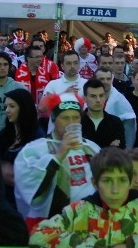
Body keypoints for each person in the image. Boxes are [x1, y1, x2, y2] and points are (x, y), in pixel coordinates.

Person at [14, 92, 99, 223]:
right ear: (53, 119)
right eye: (65, 118)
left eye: (76, 118)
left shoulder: (92, 147)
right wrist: (60, 154)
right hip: (50, 223)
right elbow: (33, 194)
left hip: (89, 219)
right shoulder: (34, 149)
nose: (71, 123)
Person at [0, 88, 42, 206]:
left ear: (24, 108)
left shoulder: (37, 136)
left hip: (26, 199)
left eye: (12, 106)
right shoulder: (5, 133)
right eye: (6, 106)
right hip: (6, 197)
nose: (7, 110)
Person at [81, 78, 125, 148]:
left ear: (105, 97)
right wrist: (109, 147)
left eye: (101, 96)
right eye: (93, 96)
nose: (98, 100)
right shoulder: (78, 122)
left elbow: (119, 152)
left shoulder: (115, 122)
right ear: (84, 99)